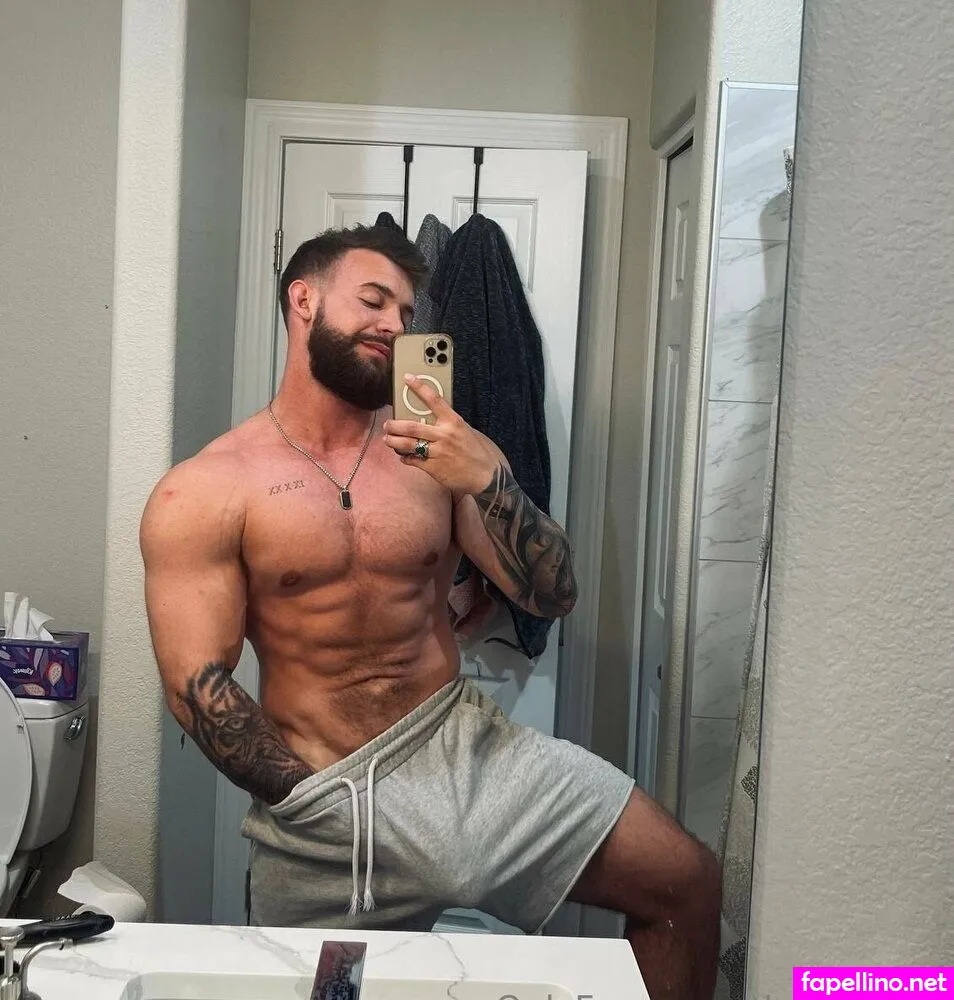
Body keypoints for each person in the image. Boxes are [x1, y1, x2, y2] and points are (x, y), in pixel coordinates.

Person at [140, 224, 721, 999]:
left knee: (688, 883)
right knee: (332, 992)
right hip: (324, 795)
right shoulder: (207, 488)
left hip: (466, 755)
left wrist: (488, 478)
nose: (394, 324)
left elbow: (551, 594)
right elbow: (197, 685)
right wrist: (307, 799)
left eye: (406, 313)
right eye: (373, 300)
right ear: (303, 300)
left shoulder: (440, 453)